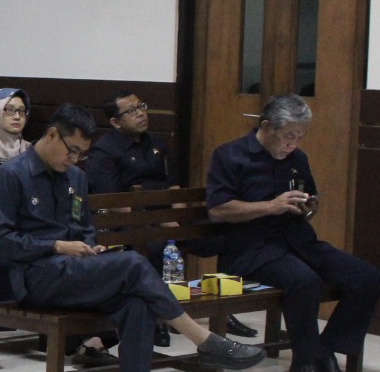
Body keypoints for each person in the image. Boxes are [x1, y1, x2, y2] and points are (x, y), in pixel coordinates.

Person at [0, 105, 266, 372]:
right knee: (133, 263)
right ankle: (204, 340)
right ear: (52, 135)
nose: (74, 160)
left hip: (75, 272)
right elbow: (1, 243)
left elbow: (84, 229)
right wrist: (57, 246)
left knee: (136, 302)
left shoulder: (76, 178)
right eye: (72, 151)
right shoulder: (11, 176)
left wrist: (91, 249)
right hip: (35, 277)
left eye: (82, 154)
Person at [206, 94, 380, 372]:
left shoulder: (297, 159)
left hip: (299, 241)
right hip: (251, 249)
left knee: (368, 278)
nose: (294, 144)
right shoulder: (230, 155)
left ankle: (326, 350)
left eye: (300, 137)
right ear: (267, 126)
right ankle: (304, 363)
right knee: (304, 282)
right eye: (289, 136)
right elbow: (218, 210)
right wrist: (270, 206)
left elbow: (309, 197)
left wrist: (308, 206)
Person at [88, 90, 256, 342]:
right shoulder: (104, 151)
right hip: (130, 225)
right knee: (157, 246)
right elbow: (115, 205)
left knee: (224, 236)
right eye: (131, 111)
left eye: (141, 106)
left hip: (168, 217)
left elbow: (174, 188)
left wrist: (179, 219)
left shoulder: (158, 144)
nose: (141, 114)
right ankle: (159, 316)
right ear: (115, 122)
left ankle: (223, 309)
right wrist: (163, 219)